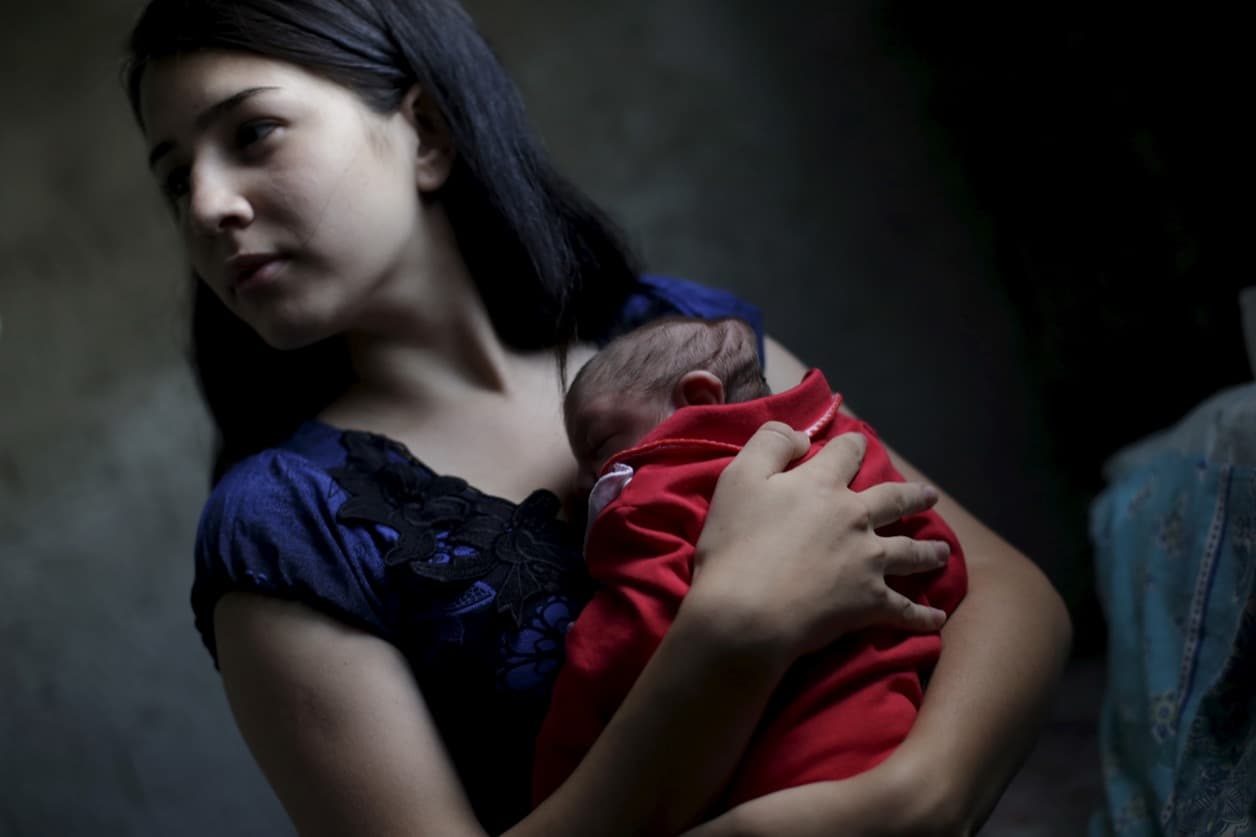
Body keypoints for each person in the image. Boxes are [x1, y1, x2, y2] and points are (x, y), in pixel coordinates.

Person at [124, 0, 1072, 834]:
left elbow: (1000, 587)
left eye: (252, 133)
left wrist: (917, 797)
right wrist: (727, 636)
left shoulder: (675, 334)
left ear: (426, 131)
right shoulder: (284, 531)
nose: (206, 205)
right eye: (174, 178)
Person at [534, 316, 967, 809]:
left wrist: (562, 765)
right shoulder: (849, 444)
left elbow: (623, 646)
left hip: (772, 774)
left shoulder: (656, 500)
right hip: (892, 731)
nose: (584, 482)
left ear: (699, 400)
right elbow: (944, 568)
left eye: (598, 445)